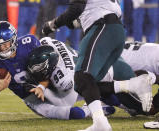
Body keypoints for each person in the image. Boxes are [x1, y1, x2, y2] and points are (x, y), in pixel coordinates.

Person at [42, 1, 153, 131]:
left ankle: (101, 123)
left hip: (103, 27)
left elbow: (76, 9)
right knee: (87, 83)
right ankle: (131, 86)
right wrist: (70, 21)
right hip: (114, 30)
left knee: (82, 77)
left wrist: (52, 24)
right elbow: (82, 15)